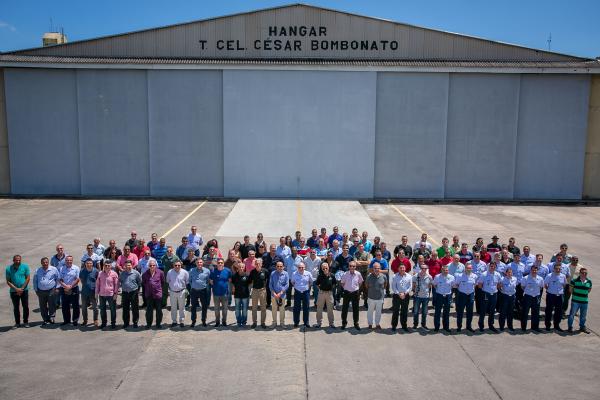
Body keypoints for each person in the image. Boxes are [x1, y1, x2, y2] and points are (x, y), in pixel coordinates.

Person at [5, 255, 30, 328]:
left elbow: (28, 278)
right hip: (13, 291)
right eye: (16, 260)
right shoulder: (8, 269)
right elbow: (8, 281)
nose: (18, 261)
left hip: (24, 290)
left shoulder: (25, 266)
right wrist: (16, 289)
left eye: (19, 260)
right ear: (13, 260)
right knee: (16, 307)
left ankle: (26, 322)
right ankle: (17, 323)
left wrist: (21, 288)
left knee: (25, 307)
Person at [477, 261, 502, 332]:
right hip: (486, 294)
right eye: (491, 266)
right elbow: (479, 285)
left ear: (495, 267)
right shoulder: (484, 274)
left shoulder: (497, 274)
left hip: (494, 294)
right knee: (483, 310)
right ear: (489, 266)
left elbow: (499, 284)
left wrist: (495, 289)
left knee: (492, 310)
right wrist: (485, 290)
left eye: (494, 266)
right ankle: (481, 326)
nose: (492, 267)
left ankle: (491, 325)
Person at [33, 257, 59, 325]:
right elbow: (35, 281)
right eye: (43, 262)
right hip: (41, 291)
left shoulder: (54, 269)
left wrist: (56, 288)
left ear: (48, 262)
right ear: (41, 263)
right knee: (42, 306)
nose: (45, 263)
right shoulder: (37, 270)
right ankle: (45, 319)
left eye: (46, 262)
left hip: (51, 290)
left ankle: (52, 317)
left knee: (52, 305)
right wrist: (36, 290)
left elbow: (58, 279)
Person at [454, 263, 477, 332]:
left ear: (472, 269)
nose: (468, 269)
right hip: (462, 295)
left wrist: (470, 291)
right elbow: (456, 284)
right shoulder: (460, 276)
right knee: (460, 312)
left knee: (470, 312)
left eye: (470, 268)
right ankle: (459, 327)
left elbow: (475, 285)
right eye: (467, 268)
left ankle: (468, 326)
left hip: (470, 295)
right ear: (465, 269)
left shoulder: (475, 276)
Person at [340, 261, 363, 330]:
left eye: (353, 266)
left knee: (356, 309)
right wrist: (347, 288)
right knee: (344, 309)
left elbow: (360, 282)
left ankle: (356, 323)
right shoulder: (345, 274)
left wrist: (356, 288)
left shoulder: (358, 274)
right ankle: (344, 323)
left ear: (355, 267)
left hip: (355, 293)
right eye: (350, 266)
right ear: (348, 267)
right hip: (347, 293)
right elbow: (342, 283)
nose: (352, 267)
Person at [520, 265, 544, 332]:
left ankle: (535, 327)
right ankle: (523, 327)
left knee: (536, 313)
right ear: (530, 270)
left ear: (537, 271)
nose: (534, 271)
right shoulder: (525, 278)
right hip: (528, 297)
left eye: (535, 270)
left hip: (536, 297)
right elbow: (522, 287)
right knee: (525, 312)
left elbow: (541, 287)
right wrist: (529, 291)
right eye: (533, 270)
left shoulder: (540, 279)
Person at [96, 260, 119, 329]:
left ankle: (113, 323)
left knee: (113, 310)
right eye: (105, 265)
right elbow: (97, 284)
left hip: (111, 295)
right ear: (103, 266)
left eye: (108, 265)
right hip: (102, 295)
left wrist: (115, 294)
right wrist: (96, 293)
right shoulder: (100, 273)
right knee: (102, 310)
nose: (107, 267)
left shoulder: (114, 274)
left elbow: (116, 284)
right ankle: (104, 323)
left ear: (111, 266)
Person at [142, 259, 165, 329]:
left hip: (157, 294)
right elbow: (143, 283)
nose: (152, 266)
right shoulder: (145, 274)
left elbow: (163, 282)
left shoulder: (160, 272)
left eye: (153, 265)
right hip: (149, 294)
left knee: (159, 310)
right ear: (148, 266)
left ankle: (158, 324)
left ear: (156, 266)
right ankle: (149, 324)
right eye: (150, 265)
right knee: (149, 310)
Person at [568, 267, 592, 334]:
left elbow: (589, 290)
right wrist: (577, 295)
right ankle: (570, 327)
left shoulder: (589, 281)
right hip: (575, 301)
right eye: (583, 273)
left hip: (584, 302)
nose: (584, 274)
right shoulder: (574, 281)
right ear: (580, 273)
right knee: (572, 315)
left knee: (583, 316)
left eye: (585, 273)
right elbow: (570, 290)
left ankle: (582, 327)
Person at [544, 263, 567, 331]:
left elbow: (564, 285)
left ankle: (556, 325)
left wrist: (559, 291)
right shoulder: (549, 275)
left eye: (559, 269)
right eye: (556, 269)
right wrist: (550, 290)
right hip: (551, 295)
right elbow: (545, 284)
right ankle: (548, 325)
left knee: (558, 311)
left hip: (559, 296)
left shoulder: (563, 276)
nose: (558, 270)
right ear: (554, 269)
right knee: (549, 310)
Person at [119, 259, 142, 329]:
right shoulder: (122, 274)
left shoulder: (136, 273)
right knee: (125, 308)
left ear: (131, 266)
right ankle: (126, 323)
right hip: (125, 293)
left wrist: (137, 290)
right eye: (126, 265)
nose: (128, 266)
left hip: (133, 292)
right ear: (124, 266)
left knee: (135, 308)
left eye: (129, 265)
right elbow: (121, 282)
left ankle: (135, 322)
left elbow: (139, 282)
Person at [166, 260, 189, 328]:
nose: (177, 266)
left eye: (178, 265)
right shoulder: (170, 272)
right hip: (172, 292)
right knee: (173, 308)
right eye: (175, 265)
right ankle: (174, 321)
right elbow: (168, 281)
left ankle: (181, 321)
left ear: (181, 265)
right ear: (173, 265)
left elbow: (187, 282)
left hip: (181, 292)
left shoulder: (185, 272)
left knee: (182, 307)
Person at [59, 255, 80, 326]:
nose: (69, 261)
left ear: (72, 260)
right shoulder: (62, 268)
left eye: (70, 260)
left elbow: (77, 279)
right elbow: (60, 279)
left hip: (74, 288)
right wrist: (66, 286)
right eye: (67, 260)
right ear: (65, 261)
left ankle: (75, 320)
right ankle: (66, 320)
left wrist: (70, 286)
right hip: (64, 288)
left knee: (75, 305)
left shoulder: (76, 268)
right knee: (65, 305)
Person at [432, 264, 454, 332]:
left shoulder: (452, 277)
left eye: (446, 270)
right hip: (439, 296)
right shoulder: (437, 277)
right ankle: (436, 327)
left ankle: (446, 327)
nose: (445, 271)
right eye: (444, 270)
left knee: (446, 312)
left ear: (448, 270)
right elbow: (434, 285)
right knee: (437, 312)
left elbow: (452, 286)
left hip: (447, 296)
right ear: (441, 270)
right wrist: (439, 290)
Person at [189, 258, 210, 328]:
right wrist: (194, 286)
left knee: (204, 307)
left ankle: (203, 321)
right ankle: (193, 321)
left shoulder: (207, 271)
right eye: (198, 262)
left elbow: (207, 281)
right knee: (193, 307)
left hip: (203, 291)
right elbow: (190, 280)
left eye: (201, 262)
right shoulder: (192, 270)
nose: (199, 264)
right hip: (194, 291)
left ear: (203, 263)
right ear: (196, 263)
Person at [210, 258, 231, 327]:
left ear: (223, 263)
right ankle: (217, 322)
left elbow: (230, 280)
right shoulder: (213, 271)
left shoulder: (227, 271)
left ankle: (224, 321)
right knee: (216, 309)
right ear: (217, 264)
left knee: (225, 309)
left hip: (225, 294)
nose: (220, 264)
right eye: (219, 263)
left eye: (221, 263)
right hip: (216, 294)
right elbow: (211, 281)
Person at [391, 263, 412, 332]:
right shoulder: (394, 276)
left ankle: (404, 325)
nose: (402, 269)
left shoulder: (409, 276)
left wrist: (405, 293)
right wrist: (399, 294)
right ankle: (394, 326)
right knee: (395, 311)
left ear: (405, 268)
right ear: (398, 269)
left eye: (403, 268)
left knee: (404, 311)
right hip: (397, 296)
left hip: (406, 296)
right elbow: (393, 287)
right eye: (401, 268)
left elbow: (410, 287)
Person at [249, 258, 269, 328]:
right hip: (254, 291)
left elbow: (268, 280)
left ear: (261, 264)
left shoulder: (265, 271)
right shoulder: (252, 272)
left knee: (263, 308)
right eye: (256, 264)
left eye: (259, 263)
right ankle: (254, 322)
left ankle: (263, 322)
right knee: (254, 308)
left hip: (262, 291)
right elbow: (249, 281)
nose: (257, 265)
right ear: (255, 264)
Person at [365, 262, 387, 329]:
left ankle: (377, 324)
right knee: (370, 312)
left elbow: (385, 284)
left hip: (380, 298)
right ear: (373, 269)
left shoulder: (383, 276)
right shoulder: (369, 276)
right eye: (375, 268)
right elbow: (366, 285)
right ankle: (370, 324)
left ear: (380, 268)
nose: (376, 269)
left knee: (378, 312)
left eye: (378, 268)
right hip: (371, 297)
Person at [314, 262, 336, 328]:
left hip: (329, 293)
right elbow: (317, 284)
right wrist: (321, 289)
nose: (325, 269)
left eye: (326, 268)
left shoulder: (332, 275)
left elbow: (334, 284)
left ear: (328, 268)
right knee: (319, 309)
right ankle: (318, 323)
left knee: (330, 309)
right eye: (323, 268)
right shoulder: (320, 276)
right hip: (322, 293)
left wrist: (331, 289)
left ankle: (331, 323)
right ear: (321, 269)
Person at [291, 262, 313, 328]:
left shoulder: (308, 274)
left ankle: (306, 322)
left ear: (305, 267)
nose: (301, 269)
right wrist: (297, 287)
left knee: (306, 308)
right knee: (296, 308)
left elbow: (311, 282)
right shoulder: (294, 274)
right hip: (297, 292)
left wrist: (307, 288)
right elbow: (292, 282)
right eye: (299, 267)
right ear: (297, 268)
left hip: (306, 292)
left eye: (302, 267)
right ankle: (296, 322)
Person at [269, 261, 289, 328]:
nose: (279, 267)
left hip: (282, 295)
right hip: (274, 295)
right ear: (276, 267)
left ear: (283, 267)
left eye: (281, 266)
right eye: (278, 266)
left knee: (282, 309)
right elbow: (270, 284)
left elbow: (287, 284)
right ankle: (274, 323)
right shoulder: (273, 273)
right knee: (274, 309)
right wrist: (274, 293)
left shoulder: (286, 274)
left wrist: (281, 293)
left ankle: (282, 323)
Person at [412, 264, 432, 330]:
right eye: (422, 268)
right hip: (417, 296)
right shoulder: (415, 276)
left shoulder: (429, 277)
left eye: (425, 268)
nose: (424, 270)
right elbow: (413, 285)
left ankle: (423, 325)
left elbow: (429, 286)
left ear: (427, 269)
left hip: (425, 297)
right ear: (420, 268)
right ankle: (415, 325)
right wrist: (414, 292)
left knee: (424, 312)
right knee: (416, 312)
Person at [79, 259, 98, 327]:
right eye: (87, 263)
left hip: (93, 292)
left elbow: (98, 280)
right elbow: (81, 279)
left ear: (92, 264)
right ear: (85, 264)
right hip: (84, 292)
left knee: (95, 307)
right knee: (84, 307)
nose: (89, 264)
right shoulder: (82, 271)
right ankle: (85, 320)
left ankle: (95, 320)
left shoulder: (96, 271)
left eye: (90, 263)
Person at [231, 262, 251, 327]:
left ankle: (244, 322)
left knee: (245, 309)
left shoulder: (247, 276)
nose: (241, 268)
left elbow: (250, 283)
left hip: (245, 295)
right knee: (237, 309)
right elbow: (232, 283)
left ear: (244, 268)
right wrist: (233, 289)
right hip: (237, 295)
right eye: (240, 267)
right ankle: (239, 321)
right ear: (238, 268)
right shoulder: (234, 276)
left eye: (242, 267)